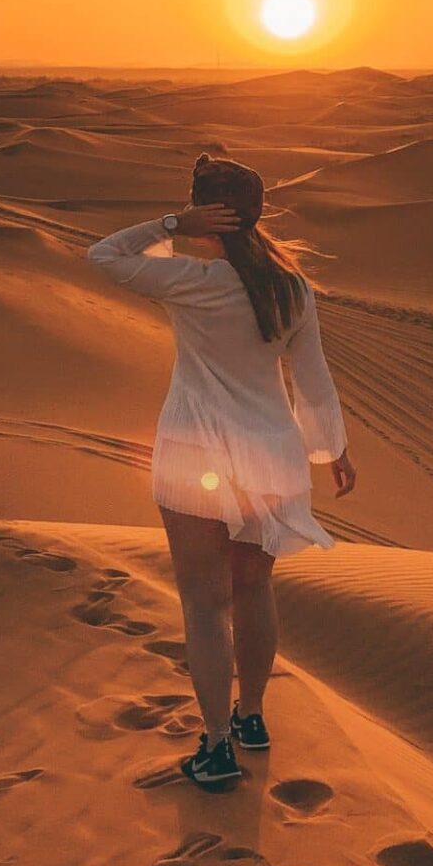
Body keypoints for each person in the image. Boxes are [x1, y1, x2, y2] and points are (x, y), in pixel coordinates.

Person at [86, 151, 357, 790]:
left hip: (194, 455)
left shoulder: (192, 280)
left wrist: (170, 224)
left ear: (207, 212)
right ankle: (252, 717)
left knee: (204, 604)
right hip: (274, 455)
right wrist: (334, 449)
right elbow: (312, 378)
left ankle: (215, 747)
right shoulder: (289, 287)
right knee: (253, 589)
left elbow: (104, 256)